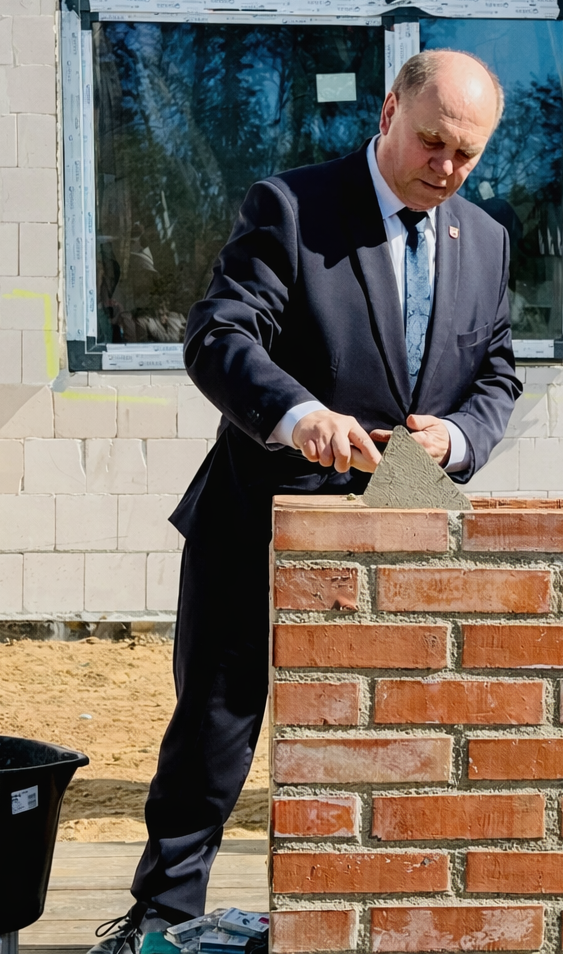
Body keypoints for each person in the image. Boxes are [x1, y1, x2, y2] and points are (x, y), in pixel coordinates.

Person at [91, 49, 522, 953]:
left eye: (466, 154)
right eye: (432, 141)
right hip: (259, 509)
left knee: (393, 724)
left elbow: (495, 373)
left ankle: (376, 910)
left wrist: (457, 438)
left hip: (400, 516)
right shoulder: (290, 206)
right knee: (216, 723)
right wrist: (296, 414)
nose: (446, 167)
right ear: (389, 112)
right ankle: (162, 915)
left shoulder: (484, 239)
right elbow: (219, 333)